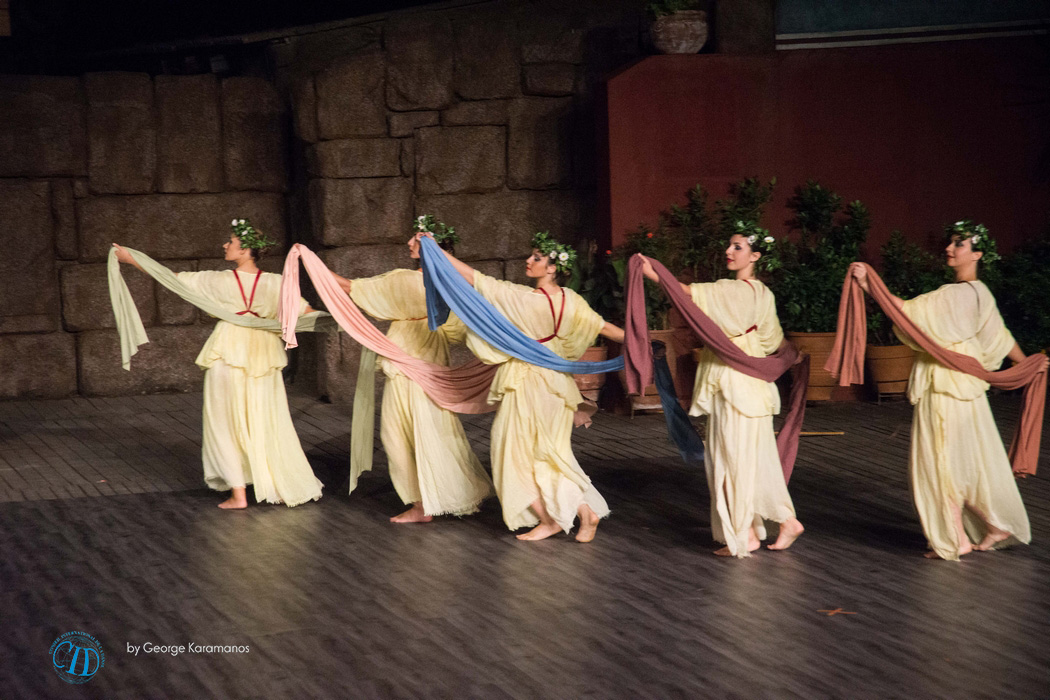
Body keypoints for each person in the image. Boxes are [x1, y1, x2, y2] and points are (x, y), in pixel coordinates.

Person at [851, 221, 1037, 560]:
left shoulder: (955, 294)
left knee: (939, 461)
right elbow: (1001, 338)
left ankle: (957, 538)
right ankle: (990, 525)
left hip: (945, 382)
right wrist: (1027, 364)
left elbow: (907, 313)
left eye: (959, 244)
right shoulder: (982, 293)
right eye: (950, 243)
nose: (949, 249)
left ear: (977, 254)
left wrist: (870, 285)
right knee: (959, 459)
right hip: (966, 384)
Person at [426, 230, 625, 542]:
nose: (529, 260)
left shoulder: (523, 299)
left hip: (527, 385)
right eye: (531, 255)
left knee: (511, 454)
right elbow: (605, 328)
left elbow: (474, 279)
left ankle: (554, 518)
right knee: (551, 454)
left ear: (552, 268)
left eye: (537, 257)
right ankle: (582, 513)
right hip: (557, 386)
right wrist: (639, 342)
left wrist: (434, 250)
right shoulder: (571, 301)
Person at [112, 219, 323, 509]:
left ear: (245, 249)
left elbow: (171, 278)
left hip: (229, 349)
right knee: (264, 417)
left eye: (231, 241)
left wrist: (130, 258)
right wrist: (345, 320)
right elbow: (307, 312)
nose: (225, 245)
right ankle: (263, 482)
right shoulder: (276, 283)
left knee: (224, 421)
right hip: (262, 353)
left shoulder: (221, 280)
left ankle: (239, 493)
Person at [640, 222, 804, 557]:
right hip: (754, 383)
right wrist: (791, 356)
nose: (729, 251)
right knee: (754, 458)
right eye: (729, 245)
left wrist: (650, 271)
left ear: (755, 256)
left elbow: (685, 293)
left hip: (733, 382)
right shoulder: (764, 293)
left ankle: (748, 533)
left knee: (731, 460)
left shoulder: (732, 290)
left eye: (738, 247)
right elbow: (773, 340)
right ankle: (774, 524)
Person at [329, 230, 493, 523]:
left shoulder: (409, 281)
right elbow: (464, 329)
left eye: (416, 239)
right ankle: (438, 497)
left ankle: (424, 503)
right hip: (425, 365)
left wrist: (312, 264)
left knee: (403, 433)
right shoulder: (452, 287)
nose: (408, 243)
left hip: (412, 367)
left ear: (431, 245)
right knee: (429, 430)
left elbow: (351, 287)